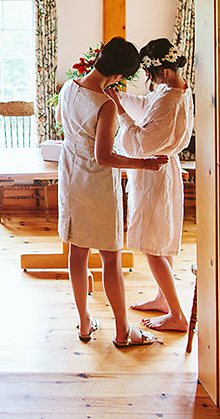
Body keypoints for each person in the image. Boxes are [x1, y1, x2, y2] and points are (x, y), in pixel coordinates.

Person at [55, 37, 169, 347]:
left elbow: (64, 126)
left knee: (77, 253)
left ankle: (83, 323)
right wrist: (144, 164)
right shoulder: (104, 104)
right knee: (110, 258)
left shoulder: (69, 86)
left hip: (70, 175)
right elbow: (104, 156)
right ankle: (122, 331)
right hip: (96, 183)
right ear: (119, 75)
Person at [104, 38, 194, 332]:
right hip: (163, 167)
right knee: (161, 237)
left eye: (150, 74)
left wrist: (119, 111)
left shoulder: (170, 100)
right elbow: (145, 106)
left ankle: (177, 315)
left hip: (155, 168)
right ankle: (163, 299)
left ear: (164, 71)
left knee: (153, 246)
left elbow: (141, 141)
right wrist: (123, 100)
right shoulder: (176, 88)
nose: (149, 80)